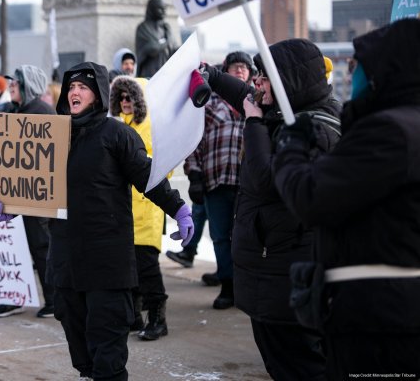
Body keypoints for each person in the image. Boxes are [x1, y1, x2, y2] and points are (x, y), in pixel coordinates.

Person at [0, 61, 192, 380]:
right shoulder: (52, 138)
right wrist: (9, 206)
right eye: (71, 87)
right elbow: (35, 188)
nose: (75, 92)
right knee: (80, 348)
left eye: (83, 87)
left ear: (97, 93)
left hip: (107, 263)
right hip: (66, 262)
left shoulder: (116, 134)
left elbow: (147, 176)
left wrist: (178, 209)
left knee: (107, 351)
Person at [272, 19, 420, 379]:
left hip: (379, 317)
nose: (351, 74)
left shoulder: (390, 130)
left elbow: (313, 196)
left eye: (358, 66)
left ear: (387, 69)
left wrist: (290, 149)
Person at [202, 38, 339, 380]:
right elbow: (246, 96)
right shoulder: (287, 111)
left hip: (287, 273)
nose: (256, 83)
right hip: (271, 270)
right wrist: (214, 77)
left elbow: (266, 179)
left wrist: (253, 124)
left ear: (287, 82)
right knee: (280, 361)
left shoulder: (316, 129)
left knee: (300, 366)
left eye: (264, 77)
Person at [168, 53, 248, 306]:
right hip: (216, 181)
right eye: (235, 67)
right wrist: (194, 175)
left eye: (245, 68)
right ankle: (228, 286)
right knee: (221, 237)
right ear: (225, 72)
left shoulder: (256, 103)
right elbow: (195, 140)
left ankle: (246, 287)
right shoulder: (210, 103)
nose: (240, 72)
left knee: (245, 238)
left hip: (248, 184)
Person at [0, 65, 57, 320]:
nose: (12, 85)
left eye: (17, 82)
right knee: (9, 246)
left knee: (41, 247)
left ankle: (54, 300)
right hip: (9, 194)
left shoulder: (43, 112)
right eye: (11, 83)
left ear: (30, 86)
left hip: (35, 196)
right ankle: (12, 297)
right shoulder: (10, 110)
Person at [109, 76, 172, 341]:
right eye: (120, 97)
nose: (125, 102)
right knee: (126, 265)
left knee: (146, 266)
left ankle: (158, 318)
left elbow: (164, 166)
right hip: (123, 209)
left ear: (140, 100)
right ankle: (133, 316)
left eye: (130, 97)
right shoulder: (116, 126)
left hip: (146, 208)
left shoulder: (154, 128)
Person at [135, 0, 176, 78]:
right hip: (149, 72)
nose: (164, 12)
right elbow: (153, 49)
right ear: (151, 10)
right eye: (160, 9)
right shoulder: (143, 27)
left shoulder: (165, 28)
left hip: (166, 72)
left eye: (164, 9)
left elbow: (173, 48)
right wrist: (168, 40)